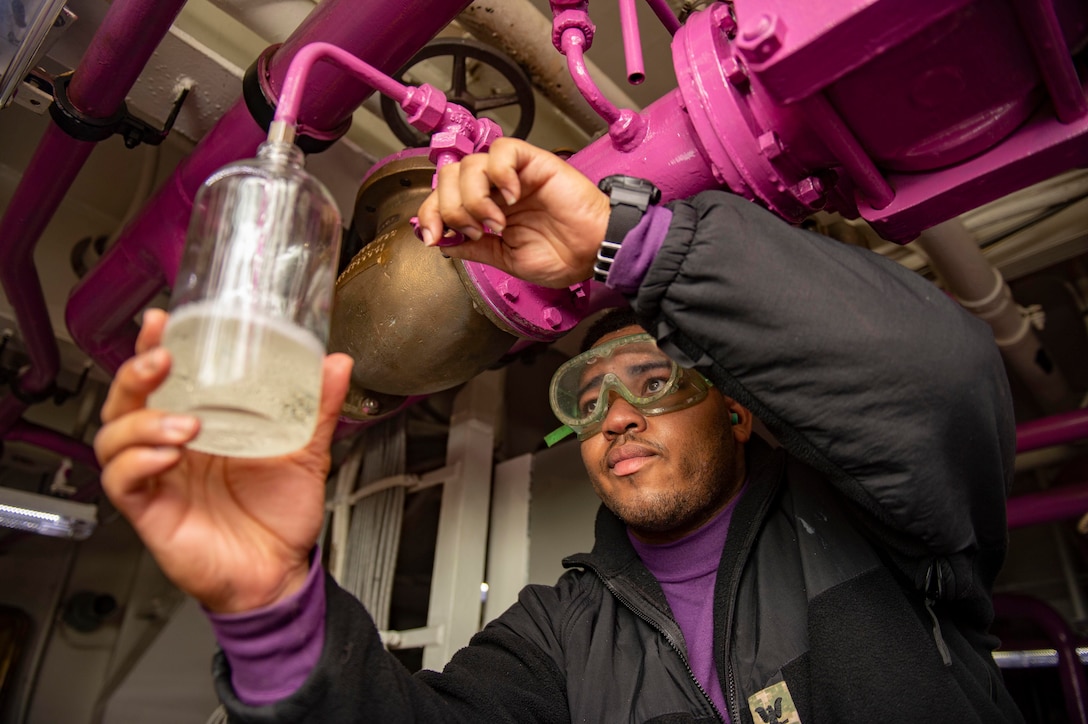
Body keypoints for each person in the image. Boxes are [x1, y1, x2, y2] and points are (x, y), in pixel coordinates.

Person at [95, 137, 1024, 723]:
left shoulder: (873, 525)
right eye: (586, 397)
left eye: (655, 382)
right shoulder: (555, 634)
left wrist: (632, 243)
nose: (614, 414)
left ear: (737, 410)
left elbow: (938, 380)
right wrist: (272, 615)